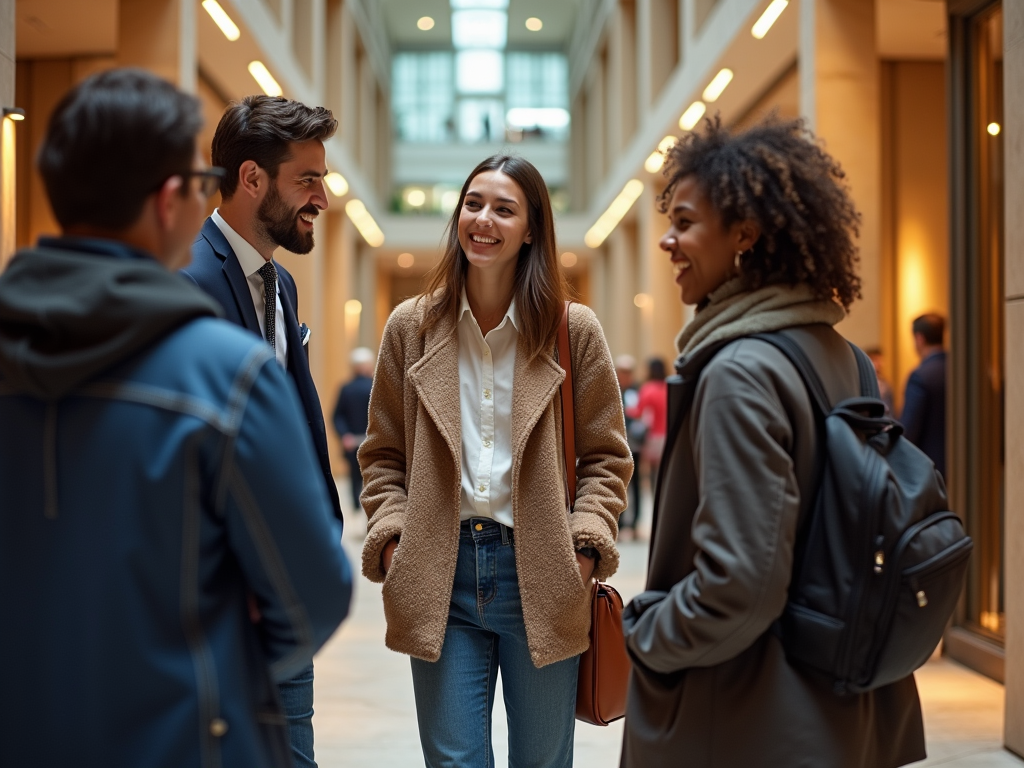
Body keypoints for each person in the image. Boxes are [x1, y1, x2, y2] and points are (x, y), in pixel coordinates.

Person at [0, 68, 352, 768]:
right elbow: (314, 593)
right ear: (170, 200)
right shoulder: (218, 373)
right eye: (196, 184)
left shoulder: (272, 293)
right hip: (185, 725)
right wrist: (224, 658)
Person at [620, 117, 925, 767]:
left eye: (685, 221)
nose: (668, 241)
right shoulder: (844, 355)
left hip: (751, 718)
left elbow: (738, 589)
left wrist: (644, 635)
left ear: (746, 235)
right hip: (841, 702)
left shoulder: (739, 372)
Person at [359, 154, 631, 768]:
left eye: (504, 209)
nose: (483, 219)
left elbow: (607, 458)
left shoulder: (572, 329)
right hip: (439, 573)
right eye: (473, 203)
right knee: (454, 761)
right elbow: (381, 454)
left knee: (541, 761)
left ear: (531, 229)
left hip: (542, 573)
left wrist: (583, 551)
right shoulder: (411, 327)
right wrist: (397, 544)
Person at [182, 94, 342, 767]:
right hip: (223, 592)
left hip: (281, 588)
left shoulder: (281, 285)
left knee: (292, 748)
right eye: (308, 179)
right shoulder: (191, 279)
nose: (323, 199)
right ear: (252, 179)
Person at [901, 313, 947, 478]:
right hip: (960, 465)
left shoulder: (920, 376)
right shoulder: (960, 372)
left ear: (919, 338)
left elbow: (908, 433)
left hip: (929, 471)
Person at [333, 346, 375, 513]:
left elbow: (336, 416)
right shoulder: (374, 387)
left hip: (351, 442)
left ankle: (357, 507)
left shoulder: (346, 389)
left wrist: (345, 436)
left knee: (354, 476)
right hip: (372, 440)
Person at [630, 356, 668, 491]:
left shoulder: (648, 389)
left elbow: (639, 413)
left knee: (652, 474)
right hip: (668, 436)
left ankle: (655, 503)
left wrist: (625, 409)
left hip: (652, 437)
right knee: (664, 474)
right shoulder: (669, 387)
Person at [616, 354, 643, 540]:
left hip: (634, 445)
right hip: (618, 445)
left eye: (628, 372)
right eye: (622, 372)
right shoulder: (611, 388)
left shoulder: (636, 391)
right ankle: (619, 521)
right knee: (618, 484)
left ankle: (634, 523)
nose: (625, 375)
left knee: (636, 485)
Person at [865, 346, 895, 415]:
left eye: (880, 360)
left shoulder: (886, 385)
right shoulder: (864, 382)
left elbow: (891, 410)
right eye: (875, 360)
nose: (880, 364)